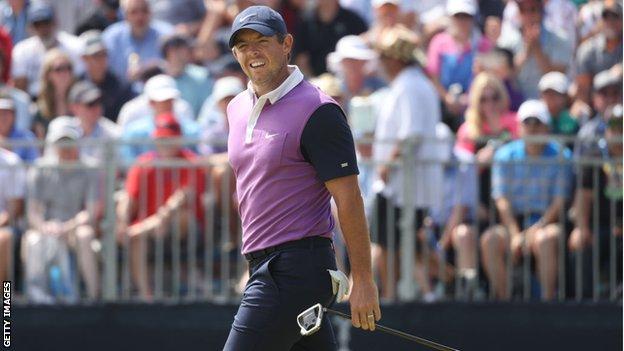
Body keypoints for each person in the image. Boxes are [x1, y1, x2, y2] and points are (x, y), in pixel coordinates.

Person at [223, 6, 380, 350]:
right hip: (263, 266)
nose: (252, 52)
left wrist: (363, 279)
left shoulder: (318, 110)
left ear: (286, 44)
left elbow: (349, 198)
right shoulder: (235, 108)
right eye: (242, 45)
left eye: (261, 40)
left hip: (297, 269)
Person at [371, 24, 443, 300]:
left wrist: (386, 167)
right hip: (405, 185)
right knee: (400, 243)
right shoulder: (414, 84)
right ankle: (418, 293)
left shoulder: (410, 86)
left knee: (390, 244)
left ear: (396, 58)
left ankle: (391, 300)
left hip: (401, 185)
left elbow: (410, 135)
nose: (381, 63)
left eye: (385, 57)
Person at [481, 99, 572, 301]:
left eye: (537, 123)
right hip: (512, 223)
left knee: (545, 239)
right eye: (527, 123)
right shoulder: (505, 155)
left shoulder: (561, 155)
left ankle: (546, 306)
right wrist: (515, 234)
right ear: (519, 127)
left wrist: (536, 229)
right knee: (491, 240)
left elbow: (559, 201)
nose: (532, 128)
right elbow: (501, 200)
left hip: (546, 222)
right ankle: (506, 303)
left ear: (547, 127)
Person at [118, 112, 206, 300]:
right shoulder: (144, 164)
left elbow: (181, 200)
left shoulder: (191, 163)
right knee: (136, 238)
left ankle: (186, 274)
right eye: (162, 139)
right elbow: (129, 199)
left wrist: (147, 225)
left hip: (184, 231)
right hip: (149, 231)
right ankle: (146, 297)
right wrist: (122, 221)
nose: (165, 144)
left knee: (177, 216)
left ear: (179, 140)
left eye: (170, 139)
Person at [21, 120, 100, 303]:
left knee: (84, 235)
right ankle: (36, 299)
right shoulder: (39, 168)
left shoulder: (90, 168)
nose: (65, 149)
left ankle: (95, 298)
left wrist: (66, 227)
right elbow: (33, 211)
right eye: (61, 144)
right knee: (33, 241)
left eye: (69, 143)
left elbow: (90, 211)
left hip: (74, 228)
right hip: (45, 229)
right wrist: (45, 227)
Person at [569, 103, 623, 298]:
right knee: (581, 243)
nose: (619, 131)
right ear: (606, 130)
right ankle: (584, 302)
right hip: (598, 225)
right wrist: (581, 227)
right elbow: (583, 196)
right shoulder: (594, 157)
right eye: (615, 126)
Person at [426, 0, 492, 131]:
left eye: (466, 16)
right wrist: (447, 98)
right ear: (450, 18)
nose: (462, 21)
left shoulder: (483, 44)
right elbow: (432, 75)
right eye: (458, 16)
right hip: (442, 105)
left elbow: (485, 78)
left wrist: (469, 99)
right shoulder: (439, 42)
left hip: (473, 106)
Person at [497, 0, 573, 99]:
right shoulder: (505, 42)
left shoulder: (560, 39)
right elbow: (503, 76)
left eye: (533, 9)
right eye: (523, 10)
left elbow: (557, 76)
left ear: (542, 11)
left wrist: (537, 49)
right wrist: (526, 52)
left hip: (549, 104)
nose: (528, 15)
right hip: (516, 103)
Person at [120, 74, 200, 163]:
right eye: (161, 101)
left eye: (169, 100)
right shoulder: (133, 132)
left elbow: (199, 162)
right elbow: (128, 163)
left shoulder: (192, 131)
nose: (166, 104)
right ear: (151, 103)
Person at [10, 1, 83, 97]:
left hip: (68, 100)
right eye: (38, 25)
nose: (43, 29)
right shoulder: (22, 50)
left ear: (55, 22)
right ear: (31, 28)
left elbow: (78, 81)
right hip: (34, 102)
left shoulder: (74, 45)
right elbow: (20, 89)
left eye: (46, 23)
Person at [102, 0, 173, 83]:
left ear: (151, 12)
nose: (140, 17)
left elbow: (176, 67)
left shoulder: (166, 33)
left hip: (161, 91)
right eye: (133, 12)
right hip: (121, 93)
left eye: (144, 10)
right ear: (125, 15)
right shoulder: (111, 38)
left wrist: (150, 68)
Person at [49, 81, 121, 162]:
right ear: (74, 107)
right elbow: (51, 163)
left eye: (98, 102)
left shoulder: (113, 133)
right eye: (90, 104)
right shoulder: (60, 128)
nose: (96, 108)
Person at [293, 0, 368, 76]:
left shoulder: (353, 21)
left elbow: (364, 54)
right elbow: (301, 58)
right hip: (316, 81)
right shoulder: (306, 21)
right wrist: (313, 83)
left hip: (348, 81)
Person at [79, 30, 135, 122]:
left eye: (104, 55)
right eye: (96, 56)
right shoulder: (76, 84)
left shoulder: (120, 86)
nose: (101, 60)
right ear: (84, 58)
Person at [574, 0, 622, 105]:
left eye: (615, 17)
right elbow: (583, 91)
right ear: (600, 21)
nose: (611, 22)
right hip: (597, 109)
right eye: (606, 17)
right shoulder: (587, 50)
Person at [161, 34, 214, 116]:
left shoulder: (202, 75)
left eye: (182, 49)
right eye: (174, 50)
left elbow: (208, 110)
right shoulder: (158, 78)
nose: (178, 54)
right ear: (166, 53)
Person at [31, 49, 76, 140]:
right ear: (48, 75)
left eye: (68, 68)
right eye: (59, 69)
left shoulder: (81, 102)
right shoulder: (39, 111)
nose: (65, 73)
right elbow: (41, 144)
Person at [0, 146, 26, 284]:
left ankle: (5, 302)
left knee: (2, 238)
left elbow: (14, 209)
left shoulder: (11, 162)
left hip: (8, 227)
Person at [537, 71, 579, 137]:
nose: (550, 98)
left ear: (565, 96)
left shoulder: (577, 117)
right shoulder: (534, 118)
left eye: (555, 94)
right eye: (546, 93)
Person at [0, 95, 39, 163]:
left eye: (7, 113)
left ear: (14, 116)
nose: (4, 117)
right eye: (1, 113)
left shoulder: (27, 137)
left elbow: (33, 162)